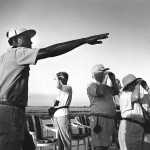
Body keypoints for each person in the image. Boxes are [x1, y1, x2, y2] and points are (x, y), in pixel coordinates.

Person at [0, 28, 109, 150]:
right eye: (27, 39)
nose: (31, 42)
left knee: (29, 146)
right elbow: (50, 51)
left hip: (8, 110)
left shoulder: (3, 58)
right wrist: (83, 40)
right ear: (14, 41)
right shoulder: (18, 53)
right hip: (11, 111)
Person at [87, 64, 119, 150]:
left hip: (109, 120)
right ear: (94, 75)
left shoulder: (107, 87)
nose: (104, 73)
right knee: (100, 146)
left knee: (106, 145)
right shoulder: (91, 86)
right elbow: (100, 92)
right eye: (102, 72)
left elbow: (116, 92)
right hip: (99, 120)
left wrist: (113, 80)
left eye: (104, 72)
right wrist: (105, 78)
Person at [118, 74, 150, 150]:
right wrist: (138, 84)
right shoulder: (124, 95)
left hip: (140, 127)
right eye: (134, 83)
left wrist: (146, 88)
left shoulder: (140, 95)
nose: (136, 84)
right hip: (130, 126)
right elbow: (135, 97)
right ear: (129, 85)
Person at [53, 72, 72, 150]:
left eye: (60, 78)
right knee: (58, 139)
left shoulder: (68, 88)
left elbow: (58, 85)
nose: (58, 80)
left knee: (65, 138)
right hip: (56, 116)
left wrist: (57, 76)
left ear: (65, 79)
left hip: (63, 115)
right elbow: (55, 105)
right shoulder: (60, 92)